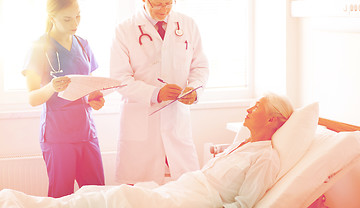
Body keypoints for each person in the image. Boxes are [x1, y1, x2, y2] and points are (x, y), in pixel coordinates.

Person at [0, 93, 294, 208]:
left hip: (196, 201)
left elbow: (244, 204)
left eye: (256, 107)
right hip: (183, 189)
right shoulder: (242, 144)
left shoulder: (265, 157)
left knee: (120, 197)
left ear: (272, 120)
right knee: (95, 194)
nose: (248, 108)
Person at [110, 0, 209, 185]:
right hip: (141, 120)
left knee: (187, 189)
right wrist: (155, 93)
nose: (164, 10)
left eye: (168, 3)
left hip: (176, 119)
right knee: (139, 193)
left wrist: (194, 90)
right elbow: (119, 78)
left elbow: (200, 67)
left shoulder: (187, 25)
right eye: (157, 4)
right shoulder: (124, 30)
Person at [21, 0, 105, 198]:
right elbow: (32, 98)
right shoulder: (39, 47)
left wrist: (96, 98)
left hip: (86, 133)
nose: (75, 22)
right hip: (58, 135)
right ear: (52, 18)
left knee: (97, 195)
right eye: (67, 18)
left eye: (78, 15)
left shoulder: (83, 44)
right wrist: (51, 87)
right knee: (61, 197)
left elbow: (89, 87)